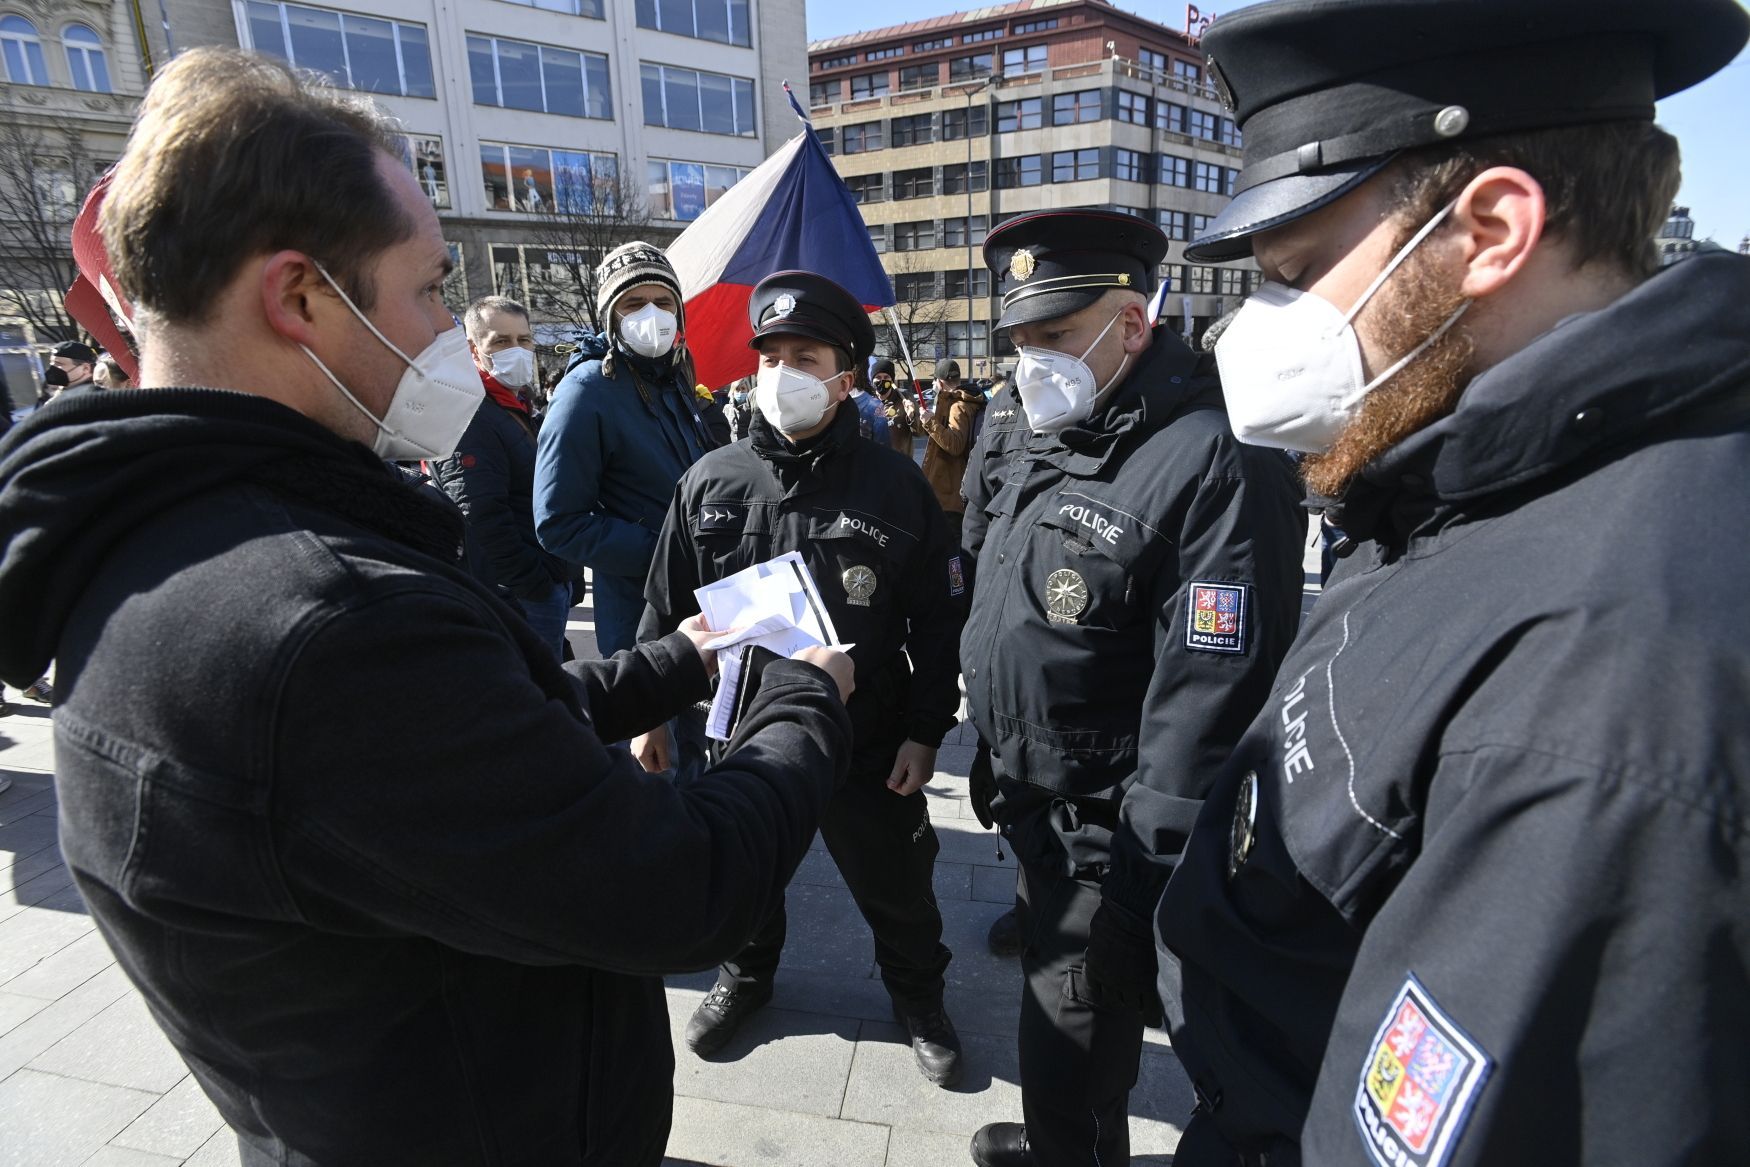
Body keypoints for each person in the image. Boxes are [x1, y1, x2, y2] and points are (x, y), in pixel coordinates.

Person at [0, 48, 859, 1166]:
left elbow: (479, 739)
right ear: (300, 295)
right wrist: (801, 694)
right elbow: (677, 885)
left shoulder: (177, 536)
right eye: (432, 287)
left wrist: (677, 659)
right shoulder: (323, 618)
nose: (453, 326)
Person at [1154, 2, 1750, 1164]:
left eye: (1299, 272)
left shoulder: (1604, 691)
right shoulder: (1463, 471)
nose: (1258, 327)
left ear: (1488, 231)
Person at [959, 209, 1306, 1167]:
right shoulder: (1060, 425)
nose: (1035, 360)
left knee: (1067, 1051)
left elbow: (1212, 701)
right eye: (1023, 338)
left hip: (1109, 846)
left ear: (1133, 324)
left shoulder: (1216, 460)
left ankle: (1067, 1149)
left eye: (1059, 334)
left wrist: (1138, 889)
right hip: (1038, 809)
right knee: (1063, 1038)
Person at [638, 271, 969, 1088]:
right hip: (746, 733)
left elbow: (937, 619)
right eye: (771, 354)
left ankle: (919, 997)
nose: (781, 371)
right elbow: (664, 606)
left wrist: (927, 731)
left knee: (899, 886)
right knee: (745, 870)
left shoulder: (896, 486)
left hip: (868, 737)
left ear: (843, 376)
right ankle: (747, 975)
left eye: (804, 355)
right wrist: (649, 712)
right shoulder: (710, 479)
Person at [534, 242, 715, 656]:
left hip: (697, 596)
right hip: (638, 612)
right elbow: (558, 523)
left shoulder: (673, 379)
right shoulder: (586, 391)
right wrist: (665, 552)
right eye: (633, 303)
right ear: (609, 315)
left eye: (663, 302)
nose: (651, 314)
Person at [430, 295, 574, 657]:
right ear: (474, 349)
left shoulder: (514, 407)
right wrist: (536, 583)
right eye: (501, 341)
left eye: (524, 340)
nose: (517, 350)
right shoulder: (471, 414)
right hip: (522, 593)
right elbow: (479, 515)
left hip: (541, 582)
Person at [909, 359, 985, 548]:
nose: (934, 385)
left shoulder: (958, 406)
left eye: (934, 381)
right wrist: (917, 418)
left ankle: (955, 578)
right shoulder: (960, 401)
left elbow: (955, 444)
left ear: (940, 382)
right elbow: (933, 435)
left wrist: (930, 422)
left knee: (950, 549)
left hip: (950, 494)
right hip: (951, 492)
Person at [869, 358, 915, 455]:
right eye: (878, 377)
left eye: (886, 377)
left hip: (900, 463)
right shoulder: (868, 402)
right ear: (872, 380)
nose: (882, 380)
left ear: (892, 380)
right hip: (875, 462)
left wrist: (912, 417)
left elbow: (919, 432)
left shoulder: (905, 398)